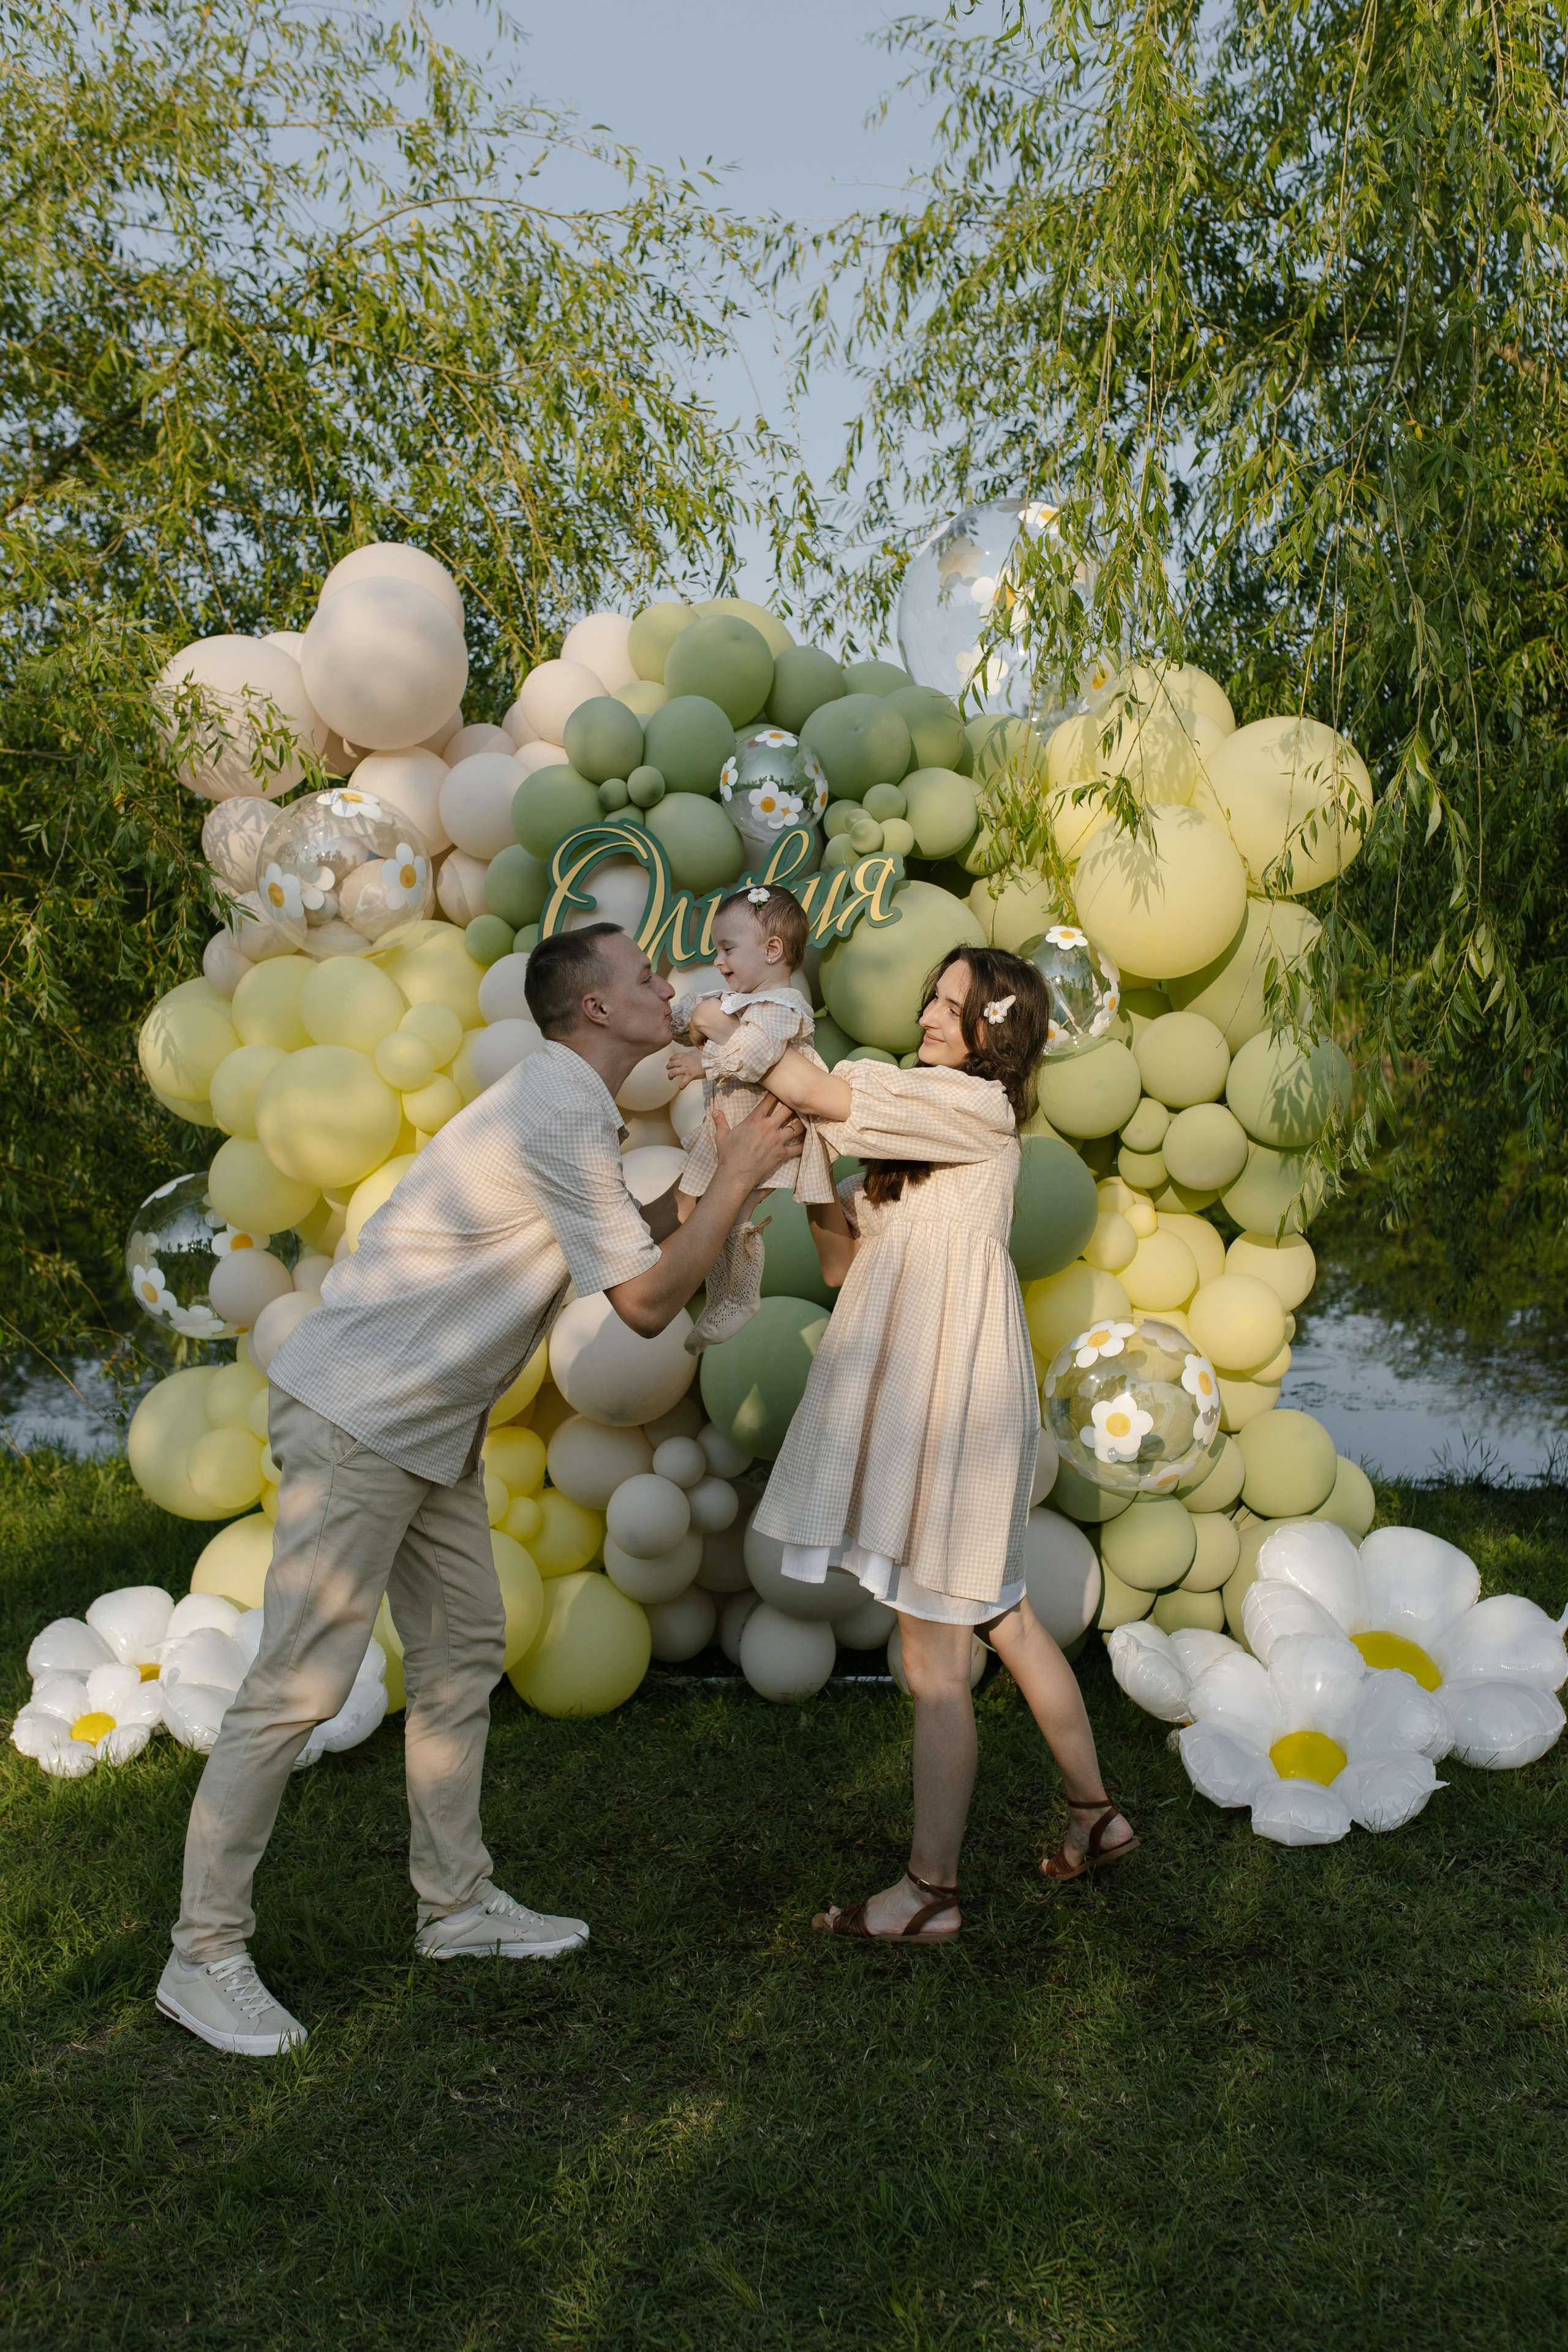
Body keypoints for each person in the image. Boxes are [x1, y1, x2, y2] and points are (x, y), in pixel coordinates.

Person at [156, 922, 802, 2056]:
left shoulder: (568, 1107)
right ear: (595, 1011)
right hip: (362, 1417)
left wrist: (714, 1187)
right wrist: (740, 1174)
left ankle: (454, 1908)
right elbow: (647, 1308)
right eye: (645, 975)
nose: (669, 985)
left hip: (425, 1432)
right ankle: (201, 1955)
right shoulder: (556, 1104)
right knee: (295, 1691)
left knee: (461, 1654)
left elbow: (628, 1256)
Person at [733, 944, 1137, 1941]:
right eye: (933, 998)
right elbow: (839, 1266)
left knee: (935, 1666)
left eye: (950, 1007)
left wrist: (729, 1023)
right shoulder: (923, 1131)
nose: (927, 1017)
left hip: (951, 1407)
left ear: (992, 1035)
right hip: (941, 1393)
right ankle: (1099, 1817)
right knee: (1003, 1612)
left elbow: (807, 1081)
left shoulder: (977, 1110)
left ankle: (930, 1894)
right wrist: (816, 1163)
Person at [665, 883, 834, 1350]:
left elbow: (755, 1054)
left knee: (732, 1210)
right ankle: (706, 1292)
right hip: (726, 1125)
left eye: (727, 949)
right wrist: (675, 1013)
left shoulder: (785, 1006)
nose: (719, 961)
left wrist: (706, 1061)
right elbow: (694, 1015)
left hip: (762, 1128)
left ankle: (739, 1296)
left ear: (773, 950)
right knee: (690, 1204)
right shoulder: (735, 998)